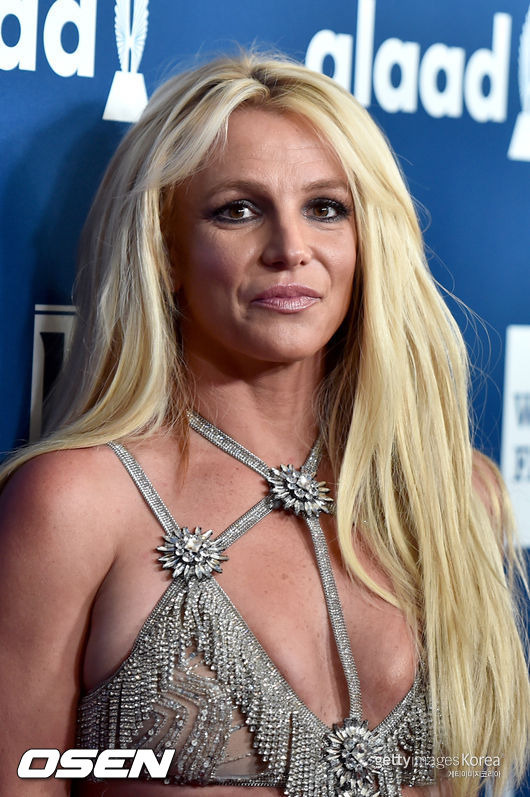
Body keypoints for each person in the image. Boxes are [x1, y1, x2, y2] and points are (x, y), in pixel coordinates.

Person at [0, 52, 528, 797]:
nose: (290, 250)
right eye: (237, 210)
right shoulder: (78, 504)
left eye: (326, 207)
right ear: (167, 251)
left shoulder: (454, 497)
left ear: (366, 240)